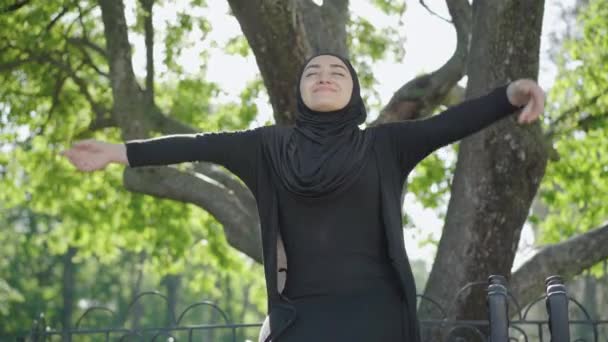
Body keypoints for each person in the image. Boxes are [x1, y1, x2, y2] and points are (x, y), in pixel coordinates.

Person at [62, 53, 545, 341]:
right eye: (313, 71)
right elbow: (195, 145)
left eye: (337, 70)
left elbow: (449, 124)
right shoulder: (264, 147)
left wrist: (509, 94)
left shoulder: (384, 145)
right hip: (301, 318)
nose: (324, 75)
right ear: (300, 90)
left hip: (377, 317)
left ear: (353, 90)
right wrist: (117, 152)